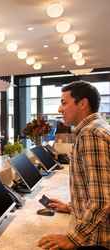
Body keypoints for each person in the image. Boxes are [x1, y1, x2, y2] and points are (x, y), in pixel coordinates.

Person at [38, 81, 110, 249]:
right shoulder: (99, 128)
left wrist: (73, 238)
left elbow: (102, 200)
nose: (59, 109)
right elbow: (97, 189)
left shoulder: (90, 134)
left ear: (83, 104)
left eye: (64, 103)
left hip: (97, 240)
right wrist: (71, 207)